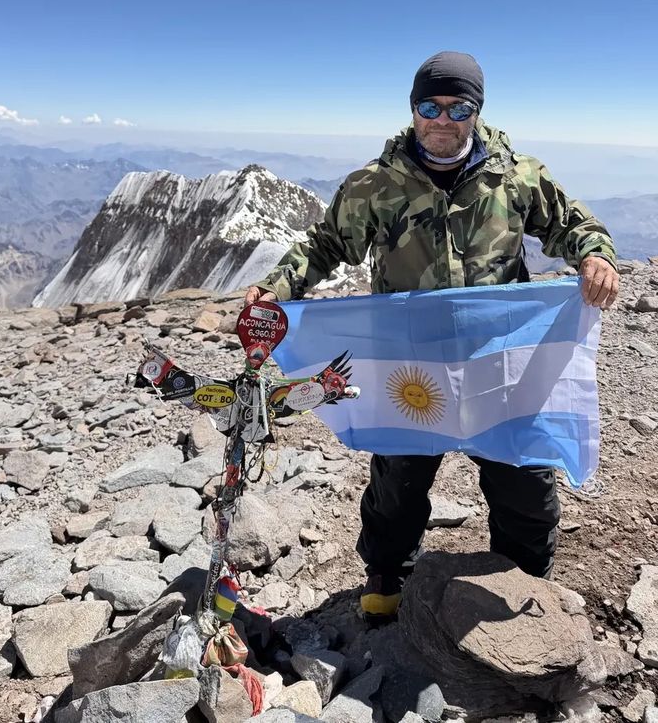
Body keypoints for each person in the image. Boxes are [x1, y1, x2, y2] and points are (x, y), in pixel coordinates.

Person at [244, 51, 618, 622]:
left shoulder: (517, 177)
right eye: (430, 105)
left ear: (476, 111)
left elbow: (573, 225)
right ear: (412, 109)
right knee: (399, 477)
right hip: (409, 362)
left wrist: (595, 255)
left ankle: (523, 585)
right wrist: (277, 287)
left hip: (499, 359)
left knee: (521, 473)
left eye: (457, 106)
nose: (442, 118)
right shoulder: (374, 185)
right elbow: (325, 246)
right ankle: (389, 582)